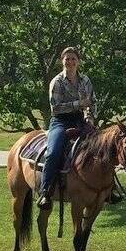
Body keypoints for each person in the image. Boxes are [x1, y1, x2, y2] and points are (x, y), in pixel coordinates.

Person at [37, 47, 96, 210]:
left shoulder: (85, 80)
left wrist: (89, 117)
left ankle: (108, 188)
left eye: (73, 59)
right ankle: (45, 192)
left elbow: (92, 102)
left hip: (80, 120)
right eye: (67, 59)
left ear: (78, 61)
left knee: (102, 148)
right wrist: (77, 104)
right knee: (54, 152)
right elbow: (55, 108)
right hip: (60, 122)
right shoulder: (57, 81)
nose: (70, 62)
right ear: (61, 61)